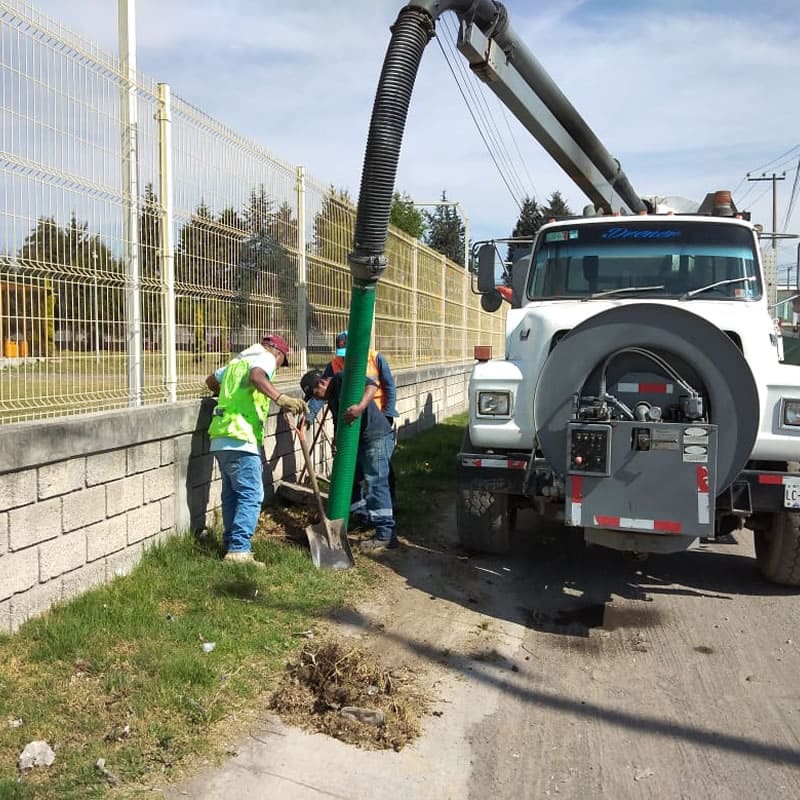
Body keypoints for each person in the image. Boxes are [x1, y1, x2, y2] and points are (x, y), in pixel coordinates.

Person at [206, 334, 308, 566]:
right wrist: (280, 398)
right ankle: (240, 550)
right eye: (282, 362)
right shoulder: (266, 358)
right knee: (252, 494)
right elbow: (256, 376)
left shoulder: (236, 361)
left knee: (233, 494)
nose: (279, 367)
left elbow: (211, 381)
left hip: (221, 435)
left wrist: (229, 395)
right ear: (278, 353)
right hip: (242, 436)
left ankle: (231, 544)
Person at [300, 369, 397, 552]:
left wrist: (360, 407)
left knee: (375, 483)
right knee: (349, 480)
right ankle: (361, 517)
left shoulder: (343, 378)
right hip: (358, 442)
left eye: (315, 395)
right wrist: (338, 439)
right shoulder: (333, 398)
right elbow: (340, 420)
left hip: (375, 437)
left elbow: (371, 385)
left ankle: (386, 534)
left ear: (321, 384)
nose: (317, 400)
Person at [308, 330, 399, 506]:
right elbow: (322, 393)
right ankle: (361, 511)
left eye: (348, 353)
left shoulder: (375, 358)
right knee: (354, 470)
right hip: (352, 423)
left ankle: (389, 506)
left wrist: (388, 413)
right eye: (342, 354)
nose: (344, 358)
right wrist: (309, 415)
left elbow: (389, 387)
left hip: (376, 418)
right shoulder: (334, 365)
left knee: (381, 469)